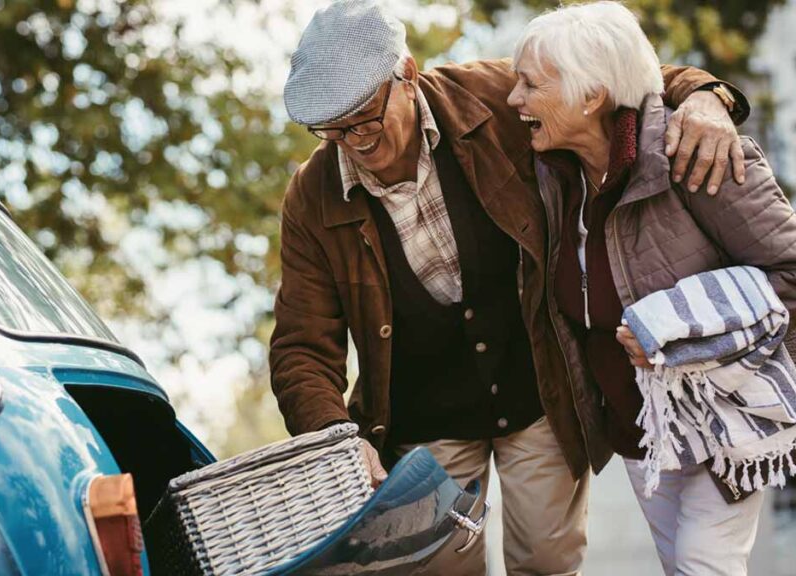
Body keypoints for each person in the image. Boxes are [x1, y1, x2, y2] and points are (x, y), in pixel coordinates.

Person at [270, 1, 747, 573]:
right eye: (333, 128)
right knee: (440, 565)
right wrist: (336, 440)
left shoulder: (493, 96)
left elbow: (619, 78)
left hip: (536, 387)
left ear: (408, 74)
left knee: (547, 560)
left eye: (367, 117)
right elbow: (301, 344)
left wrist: (704, 96)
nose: (356, 141)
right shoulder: (311, 197)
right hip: (424, 416)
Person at [506, 2, 796, 574]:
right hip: (642, 434)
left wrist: (684, 339)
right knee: (678, 563)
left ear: (590, 96)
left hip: (726, 424)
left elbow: (790, 270)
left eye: (529, 86)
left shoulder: (694, 153)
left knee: (700, 563)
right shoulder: (557, 176)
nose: (514, 100)